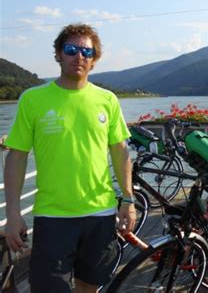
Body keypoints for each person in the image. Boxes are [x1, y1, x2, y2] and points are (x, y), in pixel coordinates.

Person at [3, 23, 136, 292]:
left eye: (86, 51)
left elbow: (120, 152)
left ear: (94, 59)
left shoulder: (107, 100)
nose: (79, 56)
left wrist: (128, 198)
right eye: (71, 49)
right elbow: (16, 157)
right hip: (53, 217)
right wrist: (14, 213)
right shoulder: (33, 99)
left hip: (100, 213)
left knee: (89, 286)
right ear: (58, 54)